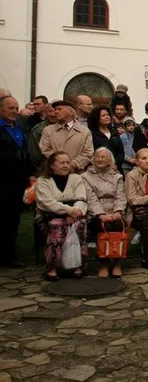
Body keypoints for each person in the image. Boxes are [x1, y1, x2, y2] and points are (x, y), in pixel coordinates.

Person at [35, 152, 88, 280]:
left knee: (79, 224)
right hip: (49, 215)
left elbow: (81, 198)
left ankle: (78, 265)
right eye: (62, 163)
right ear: (52, 165)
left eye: (67, 162)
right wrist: (67, 211)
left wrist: (74, 213)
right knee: (56, 226)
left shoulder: (76, 178)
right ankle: (52, 267)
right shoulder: (43, 181)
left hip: (75, 214)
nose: (65, 165)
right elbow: (47, 203)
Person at [81, 148, 126, 278]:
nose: (100, 159)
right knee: (104, 227)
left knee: (117, 226)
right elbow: (90, 198)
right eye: (97, 157)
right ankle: (104, 264)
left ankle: (117, 263)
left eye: (103, 157)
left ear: (109, 160)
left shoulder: (117, 176)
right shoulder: (85, 177)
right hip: (96, 213)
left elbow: (121, 196)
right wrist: (101, 214)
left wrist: (118, 211)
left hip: (114, 211)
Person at [0, 96, 33, 267]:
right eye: (9, 108)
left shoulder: (19, 129)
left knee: (13, 221)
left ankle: (9, 257)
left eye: (16, 108)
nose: (14, 111)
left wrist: (30, 175)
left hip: (17, 183)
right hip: (2, 183)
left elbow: (24, 154)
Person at [40, 100, 94, 173]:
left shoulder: (84, 131)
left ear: (71, 112)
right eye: (55, 109)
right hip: (54, 174)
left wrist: (74, 164)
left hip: (76, 174)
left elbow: (88, 152)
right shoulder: (48, 131)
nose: (55, 112)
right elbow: (45, 149)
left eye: (59, 109)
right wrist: (59, 163)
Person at [88, 106, 125, 171]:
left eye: (108, 115)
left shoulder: (114, 132)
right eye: (103, 115)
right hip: (98, 169)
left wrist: (115, 164)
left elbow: (121, 152)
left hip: (115, 169)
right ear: (97, 119)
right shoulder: (92, 134)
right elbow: (91, 152)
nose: (107, 117)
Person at [28, 100, 57, 170]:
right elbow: (34, 154)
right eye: (50, 111)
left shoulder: (67, 128)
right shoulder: (38, 130)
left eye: (55, 111)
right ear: (46, 113)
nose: (52, 114)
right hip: (45, 169)